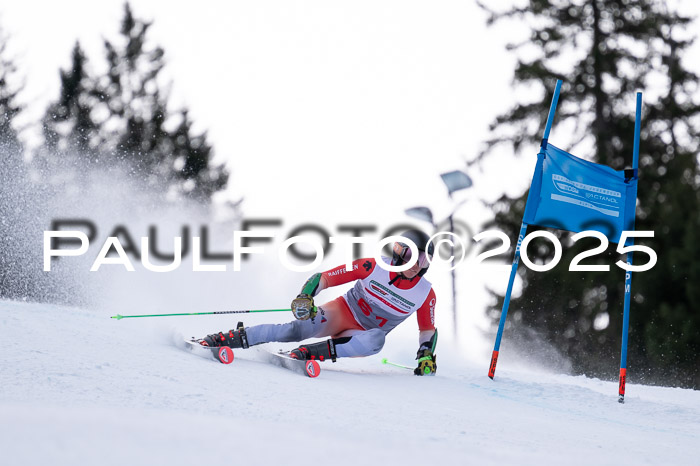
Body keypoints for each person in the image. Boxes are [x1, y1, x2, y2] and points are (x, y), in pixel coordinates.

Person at [200, 229, 438, 375]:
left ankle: (311, 353)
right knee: (296, 329)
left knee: (377, 339)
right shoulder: (372, 266)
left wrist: (426, 355)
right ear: (398, 251)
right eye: (411, 256)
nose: (417, 264)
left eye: (424, 260)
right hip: (342, 312)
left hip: (361, 335)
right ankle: (232, 338)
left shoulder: (425, 293)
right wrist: (307, 295)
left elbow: (427, 329)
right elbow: (325, 278)